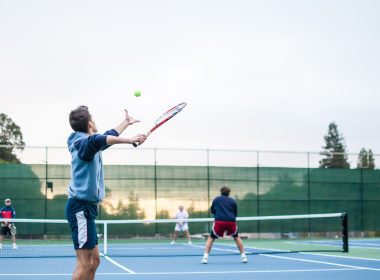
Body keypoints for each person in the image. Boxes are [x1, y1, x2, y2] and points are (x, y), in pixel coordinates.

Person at [65, 106, 146, 280]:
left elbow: (105, 137)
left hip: (88, 209)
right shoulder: (81, 143)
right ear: (89, 124)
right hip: (80, 208)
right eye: (93, 119)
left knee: (95, 261)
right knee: (85, 263)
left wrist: (126, 122)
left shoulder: (89, 143)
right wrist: (129, 139)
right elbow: (98, 140)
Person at [201, 186, 247, 264]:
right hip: (231, 222)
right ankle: (243, 256)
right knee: (236, 237)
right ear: (229, 193)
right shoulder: (232, 201)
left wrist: (219, 214)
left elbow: (212, 210)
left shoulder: (216, 199)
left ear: (221, 192)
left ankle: (205, 257)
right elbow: (235, 213)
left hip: (219, 222)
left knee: (211, 238)